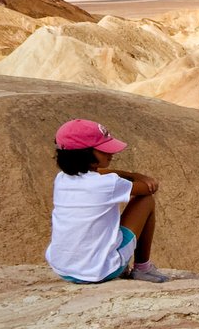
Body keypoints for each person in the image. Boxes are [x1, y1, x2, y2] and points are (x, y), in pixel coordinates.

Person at [44, 119, 169, 284]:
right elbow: (148, 188)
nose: (111, 154)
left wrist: (125, 175)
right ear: (86, 155)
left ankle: (119, 261)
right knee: (146, 201)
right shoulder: (108, 183)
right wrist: (137, 176)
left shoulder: (61, 179)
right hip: (100, 271)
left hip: (64, 270)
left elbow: (100, 174)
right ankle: (142, 268)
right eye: (103, 150)